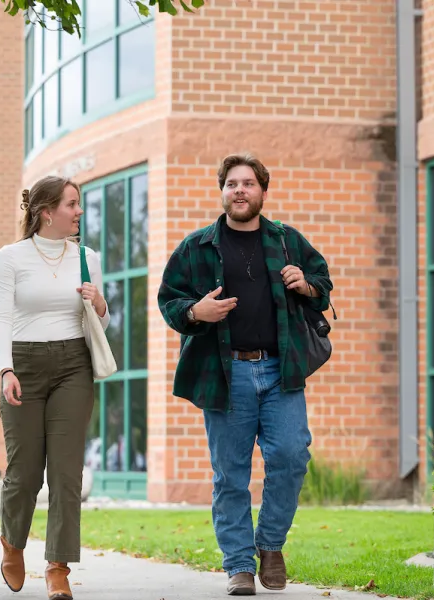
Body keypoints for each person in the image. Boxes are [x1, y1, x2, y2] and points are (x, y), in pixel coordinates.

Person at [157, 153, 333, 596]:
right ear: (222, 192)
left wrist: (306, 284)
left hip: (280, 370)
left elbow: (323, 287)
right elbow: (169, 302)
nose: (239, 190)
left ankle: (269, 545)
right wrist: (196, 311)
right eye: (232, 183)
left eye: (248, 183)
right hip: (225, 372)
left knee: (292, 457)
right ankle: (239, 565)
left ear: (262, 192)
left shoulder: (288, 241)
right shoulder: (195, 247)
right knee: (230, 475)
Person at [0, 175, 110, 600]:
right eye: (72, 204)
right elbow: (1, 318)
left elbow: (101, 321)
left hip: (73, 365)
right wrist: (6, 370)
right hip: (23, 364)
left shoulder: (86, 258)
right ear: (47, 212)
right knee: (24, 474)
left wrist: (98, 303)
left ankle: (58, 566)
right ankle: (12, 542)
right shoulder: (11, 258)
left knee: (65, 473)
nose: (79, 212)